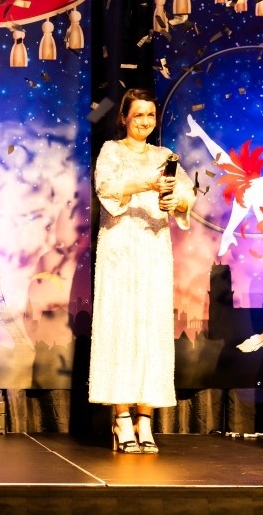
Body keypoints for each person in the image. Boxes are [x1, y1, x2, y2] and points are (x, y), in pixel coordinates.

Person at [90, 87, 194, 454]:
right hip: (120, 248)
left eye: (150, 115)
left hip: (153, 247)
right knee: (121, 326)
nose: (145, 121)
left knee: (151, 328)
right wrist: (146, 184)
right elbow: (107, 188)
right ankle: (121, 418)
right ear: (124, 118)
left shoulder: (165, 155)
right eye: (138, 115)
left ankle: (145, 419)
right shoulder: (111, 151)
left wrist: (175, 199)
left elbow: (185, 198)